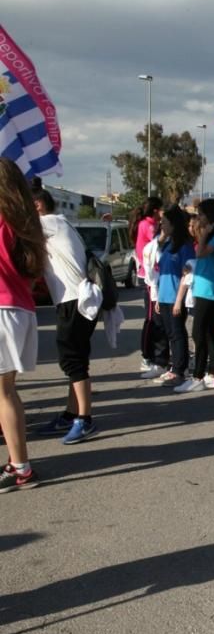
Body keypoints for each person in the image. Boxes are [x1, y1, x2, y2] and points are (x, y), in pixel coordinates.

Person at [31, 186, 101, 444]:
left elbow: (17, 233)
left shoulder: (47, 223)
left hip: (74, 300)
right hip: (77, 299)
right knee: (77, 359)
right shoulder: (60, 223)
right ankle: (72, 414)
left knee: (72, 360)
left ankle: (85, 420)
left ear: (37, 205)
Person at [0, 159, 47, 491]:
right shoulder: (24, 223)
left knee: (3, 394)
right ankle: (19, 464)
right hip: (18, 309)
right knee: (6, 392)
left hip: (3, 310)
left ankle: (20, 467)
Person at [174, 198, 214, 393]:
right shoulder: (211, 234)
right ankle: (213, 371)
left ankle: (198, 376)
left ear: (210, 215)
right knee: (207, 331)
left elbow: (201, 253)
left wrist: (204, 234)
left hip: (212, 288)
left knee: (198, 332)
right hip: (202, 287)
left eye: (201, 214)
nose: (198, 218)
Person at [152, 205, 195, 387]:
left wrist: (179, 300)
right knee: (170, 333)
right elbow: (160, 270)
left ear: (174, 225)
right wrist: (158, 298)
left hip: (176, 298)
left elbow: (187, 275)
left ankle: (180, 370)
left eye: (165, 223)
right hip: (164, 297)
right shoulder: (169, 244)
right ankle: (174, 367)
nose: (162, 226)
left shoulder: (185, 247)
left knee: (178, 334)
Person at [130, 197, 168, 374]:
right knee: (152, 318)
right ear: (155, 210)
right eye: (161, 210)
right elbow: (157, 244)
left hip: (157, 276)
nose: (163, 214)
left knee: (157, 318)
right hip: (150, 277)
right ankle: (147, 356)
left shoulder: (151, 223)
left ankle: (156, 355)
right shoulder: (148, 225)